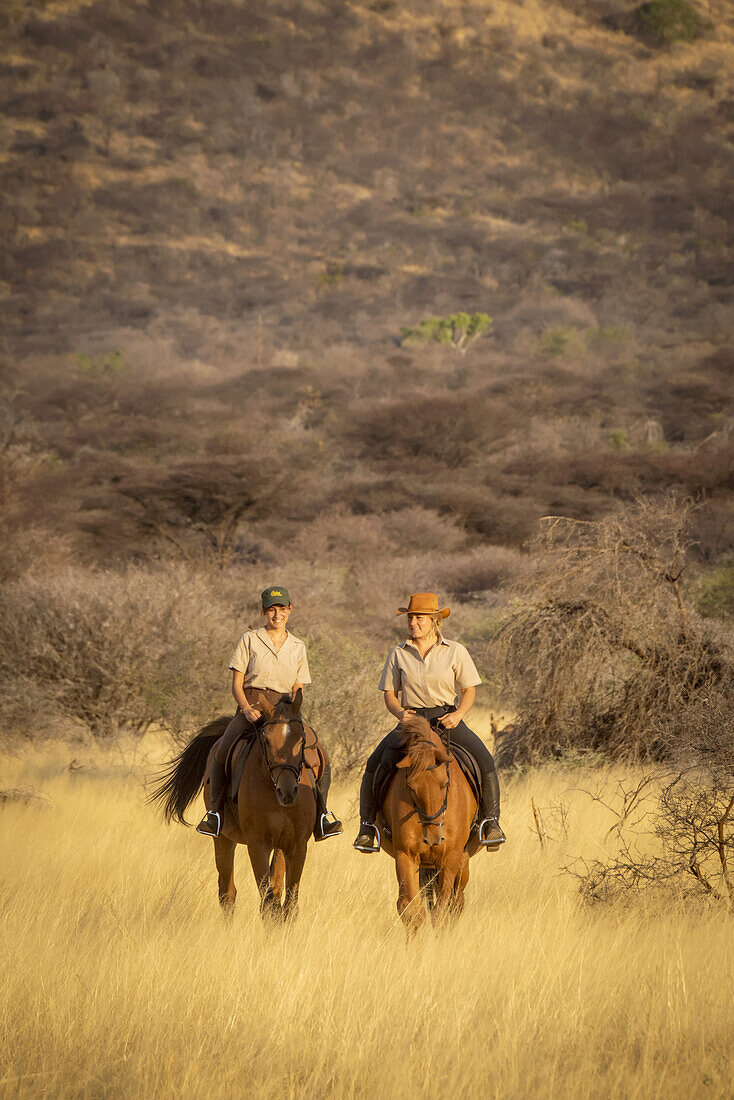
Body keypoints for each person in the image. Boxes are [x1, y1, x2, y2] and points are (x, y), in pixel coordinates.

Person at [353, 592, 506, 853]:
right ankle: (367, 828)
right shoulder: (398, 653)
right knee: (374, 763)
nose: (413, 623)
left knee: (485, 761)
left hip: (446, 719)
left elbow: (469, 690)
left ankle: (491, 823)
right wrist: (400, 714)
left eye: (419, 618)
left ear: (435, 620)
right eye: (411, 617)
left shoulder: (456, 651)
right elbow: (390, 694)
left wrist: (458, 715)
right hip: (411, 723)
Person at [196, 586, 342, 842]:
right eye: (272, 610)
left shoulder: (298, 646)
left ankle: (321, 815)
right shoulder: (250, 639)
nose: (277, 615)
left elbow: (298, 686)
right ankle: (215, 814)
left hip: (286, 710)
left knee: (319, 754)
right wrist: (246, 709)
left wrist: (294, 711)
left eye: (282, 609)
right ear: (265, 611)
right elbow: (236, 682)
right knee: (222, 750)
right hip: (253, 704)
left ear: (290, 609)